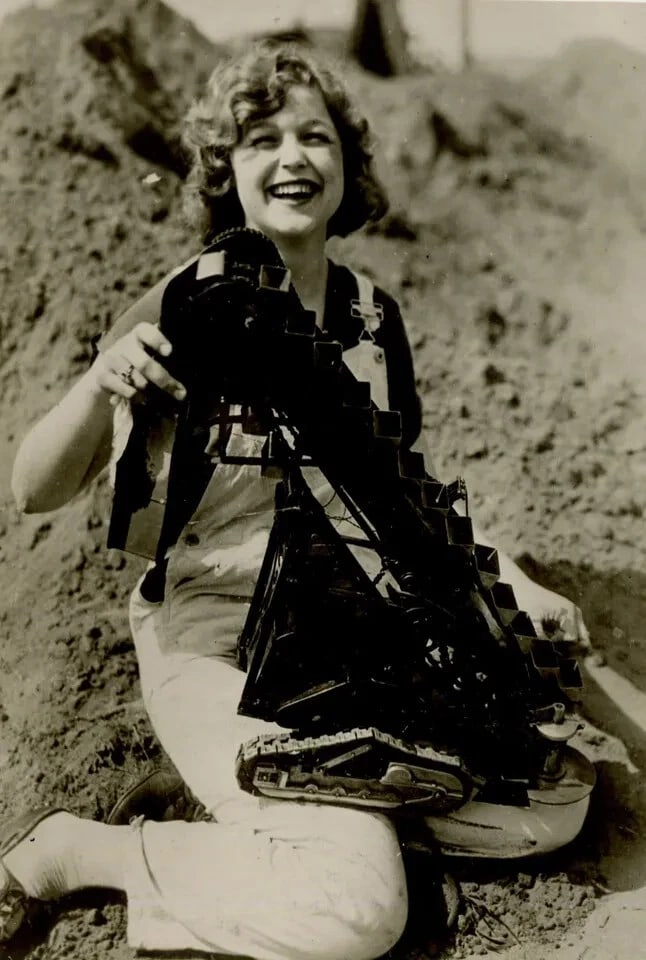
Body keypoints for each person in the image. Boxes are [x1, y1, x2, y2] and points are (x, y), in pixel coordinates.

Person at [7, 40, 588, 959]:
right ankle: (96, 850)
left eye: (315, 136)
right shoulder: (186, 304)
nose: (293, 159)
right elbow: (33, 486)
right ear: (225, 170)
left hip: (352, 642)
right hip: (217, 639)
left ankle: (321, 816)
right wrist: (95, 385)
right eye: (261, 139)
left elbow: (411, 499)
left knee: (554, 804)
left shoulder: (370, 318)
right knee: (354, 916)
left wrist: (514, 580)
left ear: (347, 164)